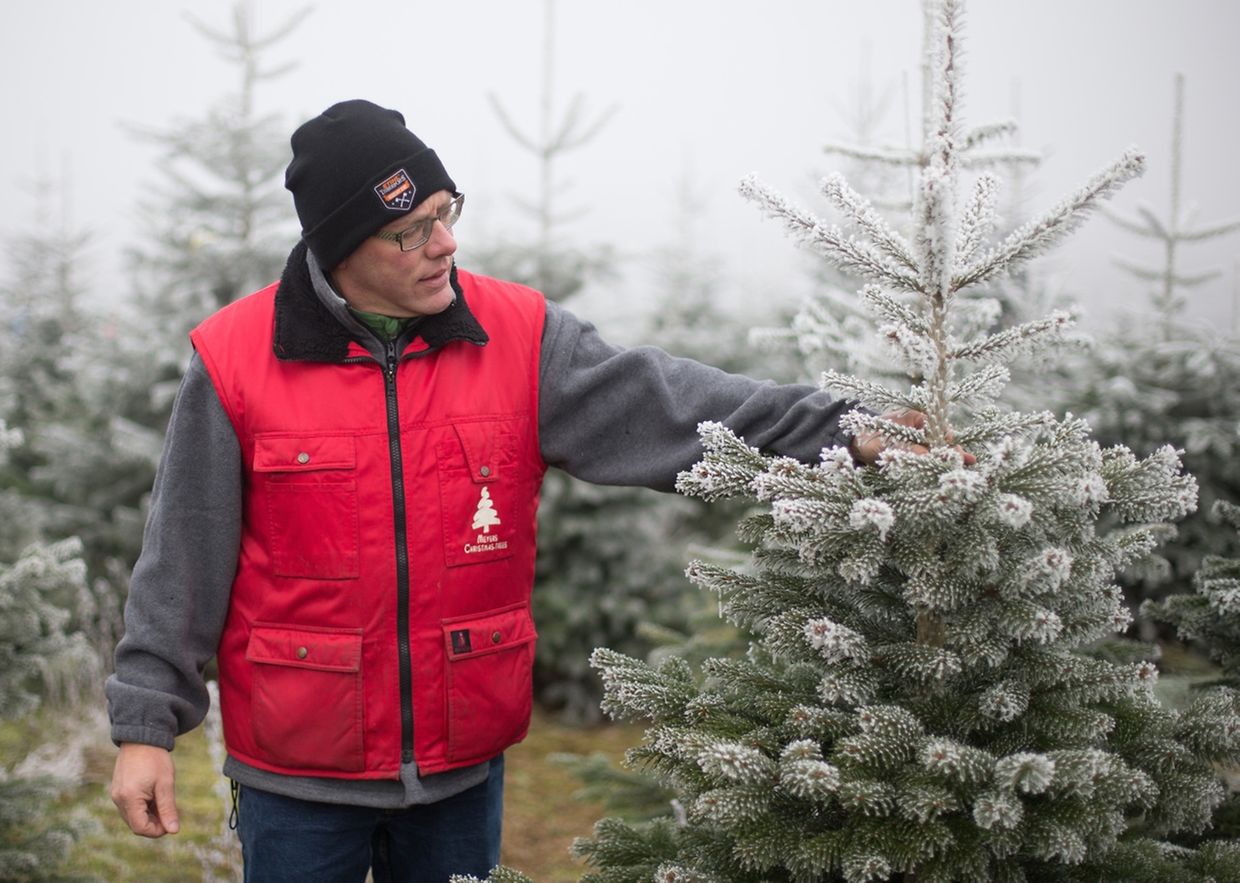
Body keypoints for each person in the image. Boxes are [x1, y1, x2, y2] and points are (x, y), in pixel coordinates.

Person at [105, 99, 917, 882]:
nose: (445, 243)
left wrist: (845, 431)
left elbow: (679, 406)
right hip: (296, 776)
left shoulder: (520, 338)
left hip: (461, 768)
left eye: (447, 210)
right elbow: (183, 551)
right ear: (342, 248)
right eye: (410, 230)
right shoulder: (235, 361)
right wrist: (146, 726)